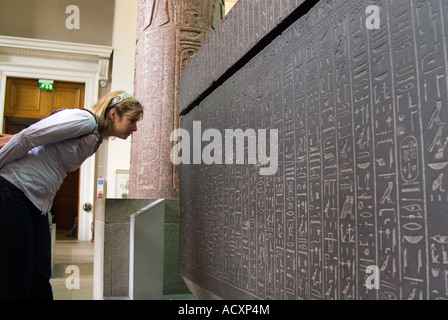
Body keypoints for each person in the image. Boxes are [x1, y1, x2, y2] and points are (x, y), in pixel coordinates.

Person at [0, 90, 143, 300]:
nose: (135, 128)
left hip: (36, 202)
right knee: (16, 275)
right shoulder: (84, 120)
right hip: (14, 190)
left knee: (39, 274)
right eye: (131, 120)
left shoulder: (95, 139)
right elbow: (28, 137)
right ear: (114, 114)